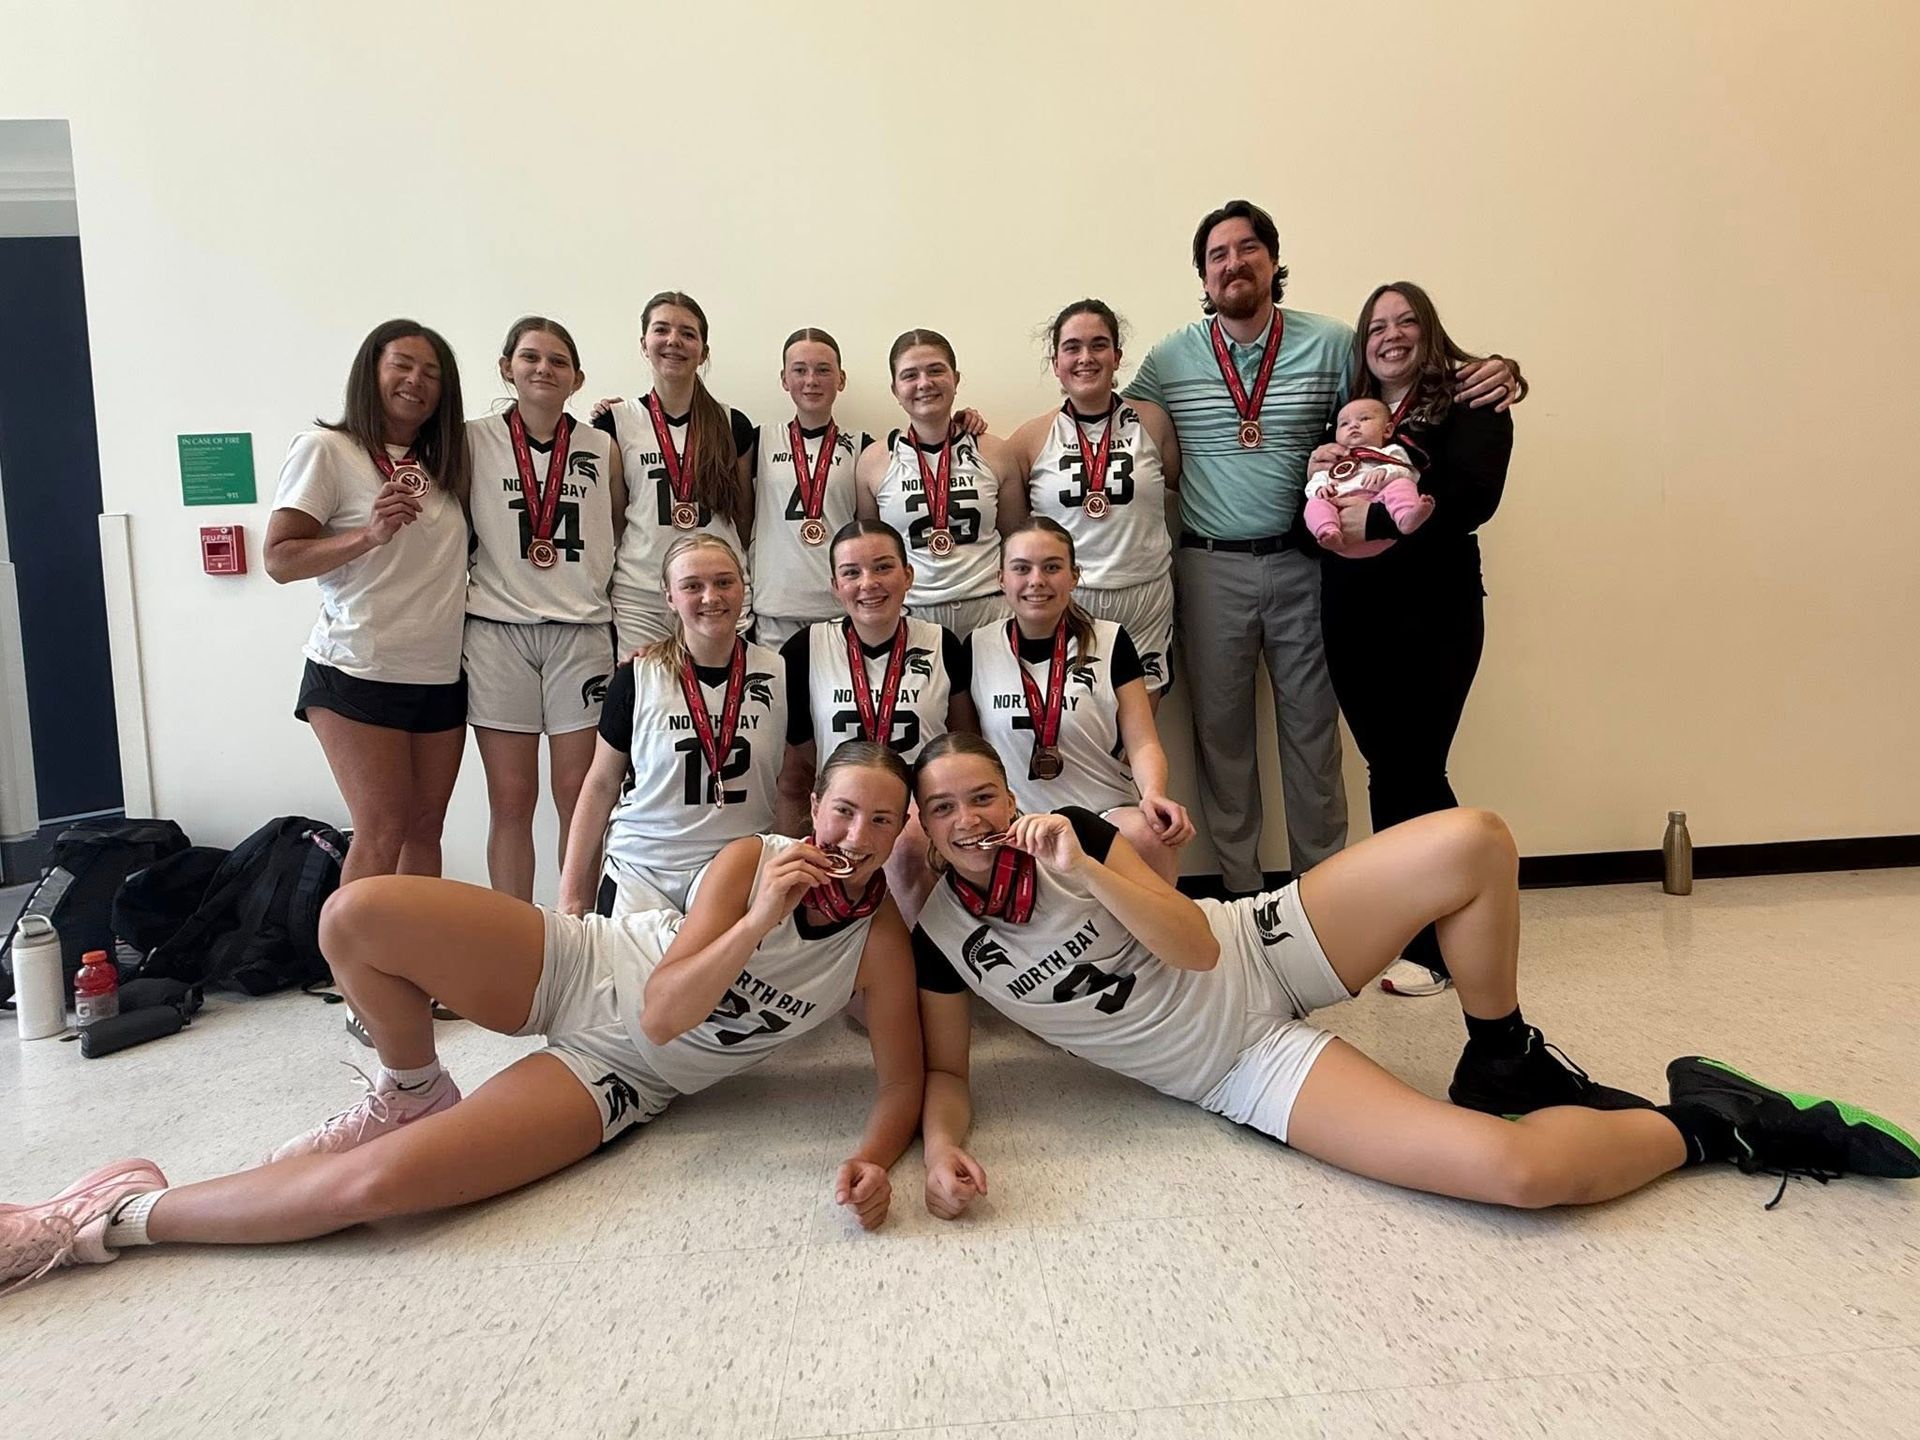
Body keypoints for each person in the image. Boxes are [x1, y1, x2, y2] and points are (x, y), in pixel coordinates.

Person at [0, 743, 927, 1294]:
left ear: (898, 837)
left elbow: (901, 1081)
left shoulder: (875, 943)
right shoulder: (748, 861)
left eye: (880, 824)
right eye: (843, 812)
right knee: (352, 916)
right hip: (588, 961)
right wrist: (761, 916)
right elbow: (662, 999)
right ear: (814, 807)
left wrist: (875, 1158)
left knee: (372, 1196)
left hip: (624, 1077)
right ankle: (412, 1086)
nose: (853, 839)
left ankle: (108, 1217)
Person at [906, 734, 1920, 1223]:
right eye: (941, 807)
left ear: (1010, 791)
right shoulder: (939, 934)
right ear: (920, 825)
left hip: (1251, 940)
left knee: (1474, 840)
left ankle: (1501, 1053)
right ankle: (1715, 1122)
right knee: (1524, 1179)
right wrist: (939, 1149)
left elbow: (1196, 947)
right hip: (1234, 1063)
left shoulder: (1074, 838)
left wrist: (1087, 869)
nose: (968, 819)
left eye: (982, 793)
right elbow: (948, 1077)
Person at [1126, 199, 1520, 895]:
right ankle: (1245, 892)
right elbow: (1109, 414)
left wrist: (1495, 371)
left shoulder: (1335, 342)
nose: (1233, 263)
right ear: (1203, 274)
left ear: (1274, 262)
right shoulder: (1170, 356)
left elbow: (1402, 396)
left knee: (1313, 736)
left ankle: (1324, 895)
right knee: (1221, 738)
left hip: (1309, 563)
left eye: (1248, 248)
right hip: (1209, 564)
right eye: (1217, 255)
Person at [1315, 282, 1520, 998]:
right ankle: (1423, 930)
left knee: (1416, 765)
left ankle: (1442, 938)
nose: (1391, 335)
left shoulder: (1474, 399)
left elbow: (1472, 498)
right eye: (1376, 326)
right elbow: (1312, 506)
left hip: (1434, 611)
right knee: (1385, 767)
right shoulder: (1350, 415)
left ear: (1430, 331)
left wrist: (1364, 524)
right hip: (1350, 610)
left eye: (1406, 322)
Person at [265, 319, 471, 889]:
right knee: (381, 830)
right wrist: (368, 535)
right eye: (401, 365)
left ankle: (414, 965)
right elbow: (280, 559)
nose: (415, 381)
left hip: (438, 674)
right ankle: (358, 976)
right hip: (357, 668)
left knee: (425, 830)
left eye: (431, 373)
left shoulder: (444, 461)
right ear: (371, 372)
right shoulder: (327, 449)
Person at [464, 316, 625, 900]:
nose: (543, 369)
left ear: (577, 378)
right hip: (497, 631)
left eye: (558, 361)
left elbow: (617, 530)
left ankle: (572, 932)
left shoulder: (600, 447)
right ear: (506, 366)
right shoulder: (472, 439)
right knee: (510, 799)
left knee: (578, 797)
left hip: (579, 631)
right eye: (530, 357)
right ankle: (513, 937)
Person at [559, 535, 786, 917]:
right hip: (644, 868)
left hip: (737, 866)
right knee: (631, 977)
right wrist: (571, 895)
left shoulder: (780, 672)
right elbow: (600, 785)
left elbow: (796, 778)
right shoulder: (636, 677)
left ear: (743, 588)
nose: (710, 597)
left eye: (724, 582)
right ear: (669, 597)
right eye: (692, 586)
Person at [968, 520, 1193, 881]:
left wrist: (1153, 793)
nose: (1036, 580)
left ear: (1074, 577)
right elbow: (969, 750)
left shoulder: (1111, 640)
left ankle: (1163, 934)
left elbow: (1143, 741)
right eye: (1021, 568)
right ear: (1001, 579)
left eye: (1052, 567)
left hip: (1104, 811)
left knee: (1150, 834)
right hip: (1018, 819)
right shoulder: (976, 648)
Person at [780, 519, 977, 922]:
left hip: (920, 807)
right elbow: (799, 765)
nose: (868, 583)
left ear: (908, 576)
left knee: (906, 849)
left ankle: (925, 960)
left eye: (883, 567)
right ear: (835, 586)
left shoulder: (943, 643)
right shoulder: (805, 650)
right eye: (851, 573)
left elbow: (963, 742)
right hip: (844, 807)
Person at [1009, 299, 1180, 706]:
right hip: (1070, 599)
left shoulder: (1153, 422)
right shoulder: (1031, 438)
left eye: (1098, 345)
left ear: (1117, 356)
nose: (1085, 357)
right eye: (1072, 347)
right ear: (1056, 362)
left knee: (1135, 736)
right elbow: (1014, 528)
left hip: (1146, 596)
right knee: (1075, 727)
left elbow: (1182, 487)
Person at [595, 292, 756, 654]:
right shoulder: (615, 423)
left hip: (718, 591)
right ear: (644, 343)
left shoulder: (734, 424)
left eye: (687, 333)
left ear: (704, 350)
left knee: (720, 704)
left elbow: (744, 516)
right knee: (650, 702)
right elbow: (617, 516)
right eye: (662, 330)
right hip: (643, 594)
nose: (674, 341)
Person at [856, 329, 1028, 635]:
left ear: (956, 379)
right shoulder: (874, 461)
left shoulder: (995, 451)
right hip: (913, 615)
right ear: (895, 389)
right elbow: (871, 549)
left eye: (936, 370)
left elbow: (1015, 539)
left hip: (990, 611)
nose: (924, 383)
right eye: (910, 375)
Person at [749, 329, 872, 648]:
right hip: (776, 610)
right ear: (784, 378)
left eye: (823, 370)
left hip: (840, 607)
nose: (811, 380)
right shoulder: (758, 439)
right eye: (800, 370)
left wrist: (962, 420)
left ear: (841, 379)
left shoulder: (863, 447)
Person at [1304, 397, 1427, 557]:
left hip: (1378, 503)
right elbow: (1315, 481)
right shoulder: (1333, 459)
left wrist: (1387, 471)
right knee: (1314, 504)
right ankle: (1328, 532)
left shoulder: (1391, 452)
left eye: (1364, 419)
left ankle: (1406, 516)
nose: (1354, 425)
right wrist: (1320, 489)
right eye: (1344, 424)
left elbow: (1409, 473)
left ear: (1387, 430)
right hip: (1341, 519)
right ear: (1336, 434)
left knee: (1402, 484)